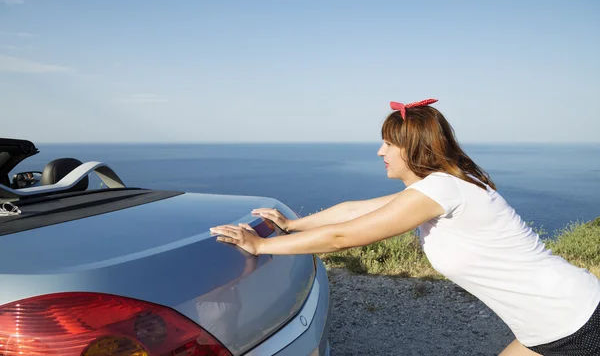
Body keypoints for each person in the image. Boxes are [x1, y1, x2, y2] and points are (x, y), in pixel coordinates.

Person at [210, 99, 600, 356]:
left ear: (412, 148)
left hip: (575, 321)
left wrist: (261, 247)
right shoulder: (444, 185)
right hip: (549, 323)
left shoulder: (442, 190)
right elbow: (353, 211)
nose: (380, 152)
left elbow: (346, 236)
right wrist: (293, 224)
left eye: (387, 144)